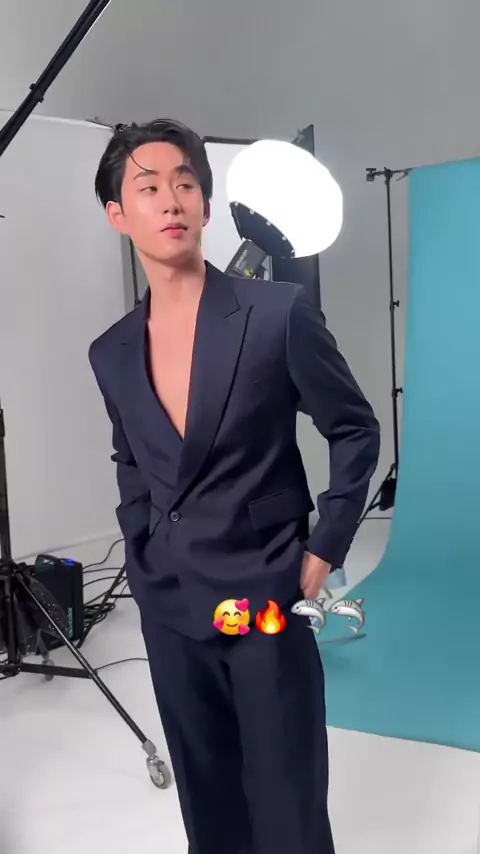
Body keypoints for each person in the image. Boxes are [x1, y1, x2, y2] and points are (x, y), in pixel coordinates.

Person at [89, 118, 380, 854]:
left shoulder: (277, 314)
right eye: (148, 187)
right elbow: (131, 460)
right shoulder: (111, 352)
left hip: (265, 593)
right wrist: (141, 552)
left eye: (186, 183)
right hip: (169, 604)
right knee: (207, 796)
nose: (171, 199)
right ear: (118, 214)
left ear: (207, 205)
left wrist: (323, 549)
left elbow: (354, 428)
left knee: (286, 795)